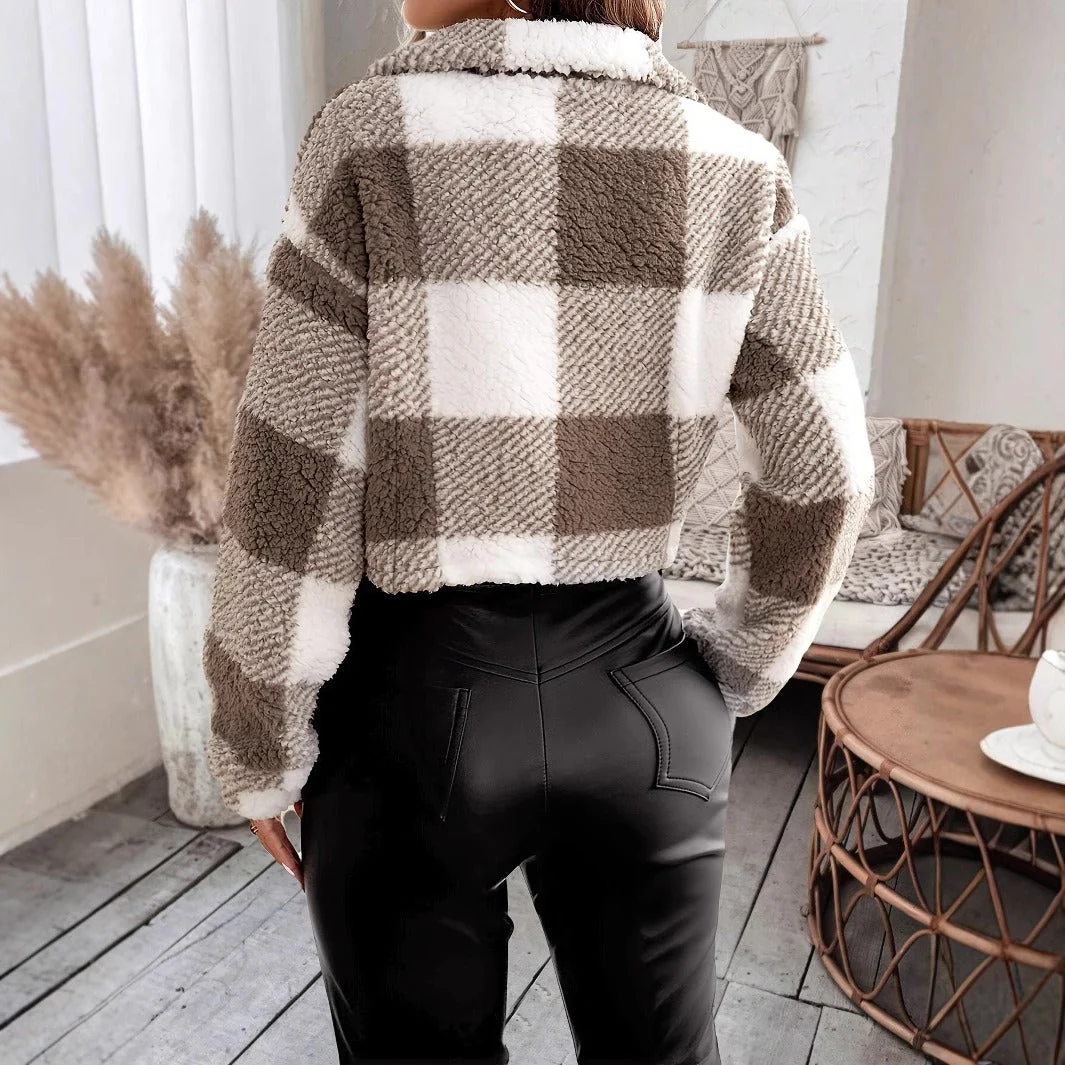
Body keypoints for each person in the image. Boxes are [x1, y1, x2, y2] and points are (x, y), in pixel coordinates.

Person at [203, 0, 875, 1061]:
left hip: (415, 707)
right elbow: (827, 470)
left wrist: (259, 747)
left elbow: (292, 481)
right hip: (644, 699)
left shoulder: (370, 135)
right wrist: (735, 673)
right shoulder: (736, 164)